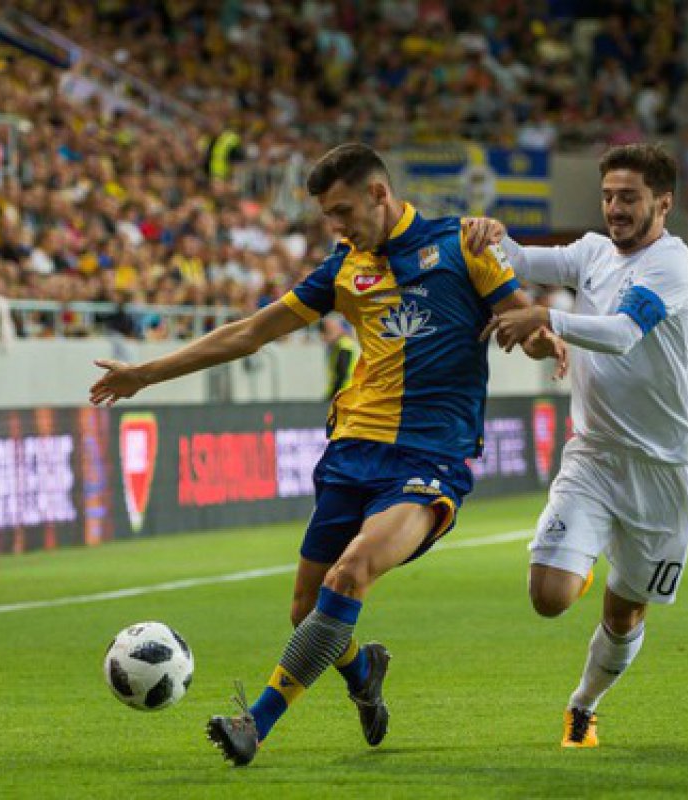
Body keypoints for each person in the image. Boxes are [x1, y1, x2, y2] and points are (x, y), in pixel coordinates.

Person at [89, 143, 566, 767]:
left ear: (379, 194)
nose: (337, 227)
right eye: (328, 216)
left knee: (350, 574)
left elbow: (523, 324)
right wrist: (145, 374)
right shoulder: (343, 269)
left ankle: (254, 724)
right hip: (351, 453)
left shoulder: (463, 245)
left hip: (430, 459)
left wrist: (546, 337)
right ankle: (363, 671)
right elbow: (250, 332)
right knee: (306, 612)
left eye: (344, 211)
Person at [464, 143, 688, 748]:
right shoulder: (594, 252)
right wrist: (491, 234)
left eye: (629, 198)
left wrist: (546, 319)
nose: (615, 208)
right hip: (594, 454)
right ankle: (584, 545)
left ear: (663, 203)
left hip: (664, 468)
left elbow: (624, 334)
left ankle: (584, 703)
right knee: (549, 596)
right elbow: (522, 258)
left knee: (624, 613)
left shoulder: (671, 265)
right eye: (607, 197)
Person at [319, 314, 357, 399]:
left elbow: (342, 374)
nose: (323, 338)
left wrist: (333, 396)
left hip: (344, 394)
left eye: (328, 332)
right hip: (343, 393)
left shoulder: (344, 345)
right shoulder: (338, 346)